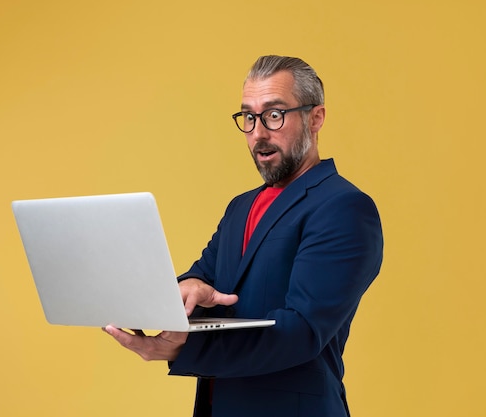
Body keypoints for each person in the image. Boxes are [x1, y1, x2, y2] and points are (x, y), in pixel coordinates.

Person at [104, 55, 384, 417]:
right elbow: (203, 277)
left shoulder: (344, 207)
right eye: (249, 117)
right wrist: (184, 292)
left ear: (316, 118)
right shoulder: (241, 207)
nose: (258, 133)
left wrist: (179, 349)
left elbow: (302, 332)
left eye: (274, 115)